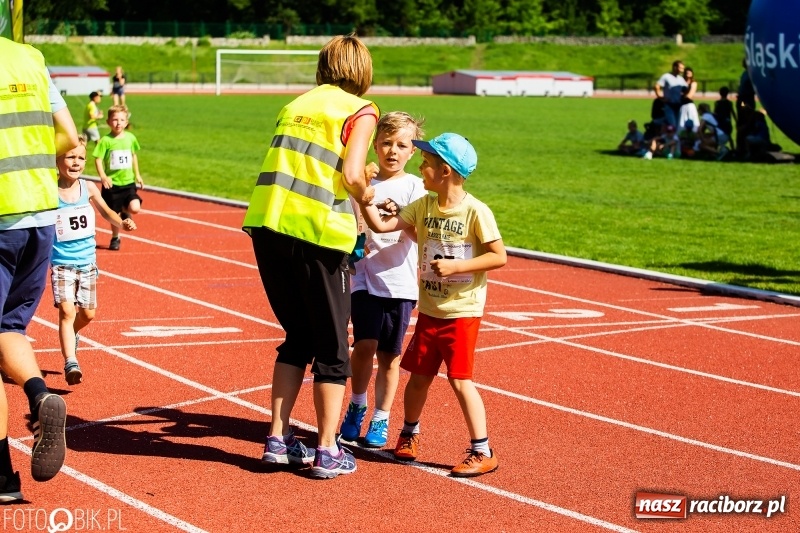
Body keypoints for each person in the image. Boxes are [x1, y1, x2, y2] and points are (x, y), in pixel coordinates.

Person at [242, 34, 379, 479]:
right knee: (334, 348)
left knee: (296, 338)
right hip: (319, 234)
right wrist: (368, 194)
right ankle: (326, 450)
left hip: (268, 226)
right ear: (361, 69)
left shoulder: (295, 105)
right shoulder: (361, 110)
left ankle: (277, 440)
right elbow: (353, 173)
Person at [360, 132, 507, 477]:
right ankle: (409, 432)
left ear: (445, 172)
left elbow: (498, 256)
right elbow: (383, 225)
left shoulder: (475, 211)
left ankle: (482, 448)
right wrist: (365, 197)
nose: (421, 168)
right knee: (419, 377)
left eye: (426, 164)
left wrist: (457, 267)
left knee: (460, 380)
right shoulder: (423, 206)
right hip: (429, 311)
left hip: (461, 312)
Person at [0, 36, 79, 502]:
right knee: (8, 329)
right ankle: (39, 396)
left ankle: (32, 402)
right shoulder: (30, 57)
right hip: (38, 213)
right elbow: (68, 136)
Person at [339, 112, 427, 448]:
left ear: (412, 152)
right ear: (374, 145)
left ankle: (381, 417)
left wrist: (398, 216)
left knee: (390, 356)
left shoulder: (417, 188)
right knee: (363, 346)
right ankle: (357, 405)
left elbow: (420, 236)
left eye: (401, 145)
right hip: (365, 277)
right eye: (386, 143)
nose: (392, 151)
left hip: (400, 282)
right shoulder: (361, 183)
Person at [52, 135, 137, 386]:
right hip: (60, 261)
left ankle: (74, 332)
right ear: (56, 160)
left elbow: (106, 212)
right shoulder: (48, 191)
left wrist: (122, 222)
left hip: (87, 260)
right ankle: (71, 362)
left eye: (81, 158)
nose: (76, 162)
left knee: (87, 315)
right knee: (67, 311)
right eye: (70, 157)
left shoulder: (88, 188)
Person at [93, 105, 143, 250]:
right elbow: (97, 159)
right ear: (108, 122)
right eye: (115, 120)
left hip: (128, 182)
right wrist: (103, 176)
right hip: (112, 184)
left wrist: (138, 175)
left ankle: (125, 209)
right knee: (114, 214)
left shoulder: (131, 138)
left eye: (122, 120)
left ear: (126, 122)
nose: (118, 123)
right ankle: (115, 238)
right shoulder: (105, 141)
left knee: (135, 208)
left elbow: (134, 156)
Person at [654, 60, 687, 128]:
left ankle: (662, 123)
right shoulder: (666, 76)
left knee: (678, 126)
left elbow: (686, 89)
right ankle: (658, 122)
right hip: (669, 105)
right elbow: (657, 86)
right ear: (675, 67)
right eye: (681, 68)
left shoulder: (681, 79)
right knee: (673, 125)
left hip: (678, 106)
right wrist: (661, 97)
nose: (683, 70)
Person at [678, 66, 699, 131]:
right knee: (681, 125)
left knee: (694, 124)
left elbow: (690, 95)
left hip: (689, 105)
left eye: (689, 73)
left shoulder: (693, 83)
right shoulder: (681, 82)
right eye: (686, 73)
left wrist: (681, 95)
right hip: (682, 106)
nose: (688, 74)